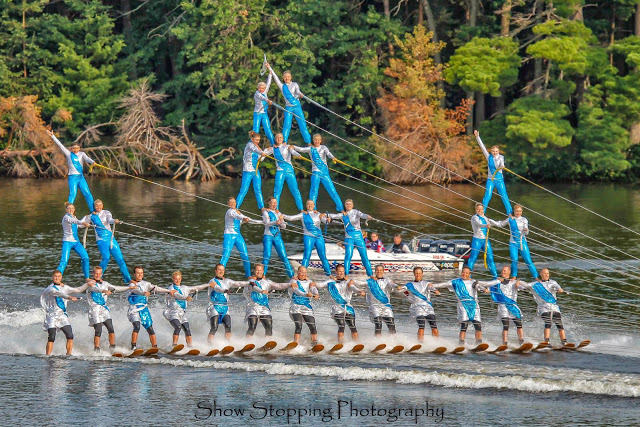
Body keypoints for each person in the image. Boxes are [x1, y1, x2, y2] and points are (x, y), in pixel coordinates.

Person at [432, 266, 492, 346]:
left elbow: (478, 286)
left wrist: (484, 289)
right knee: (464, 325)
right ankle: (461, 343)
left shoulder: (473, 282)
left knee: (477, 325)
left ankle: (478, 343)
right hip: (463, 305)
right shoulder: (455, 282)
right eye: (463, 272)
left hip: (474, 306)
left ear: (469, 274)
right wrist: (431, 285)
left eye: (466, 273)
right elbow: (443, 284)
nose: (464, 274)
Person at [82, 199, 132, 283]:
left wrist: (115, 221)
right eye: (96, 206)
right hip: (101, 240)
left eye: (100, 205)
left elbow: (110, 220)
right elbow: (81, 224)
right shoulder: (92, 216)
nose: (98, 207)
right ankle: (97, 277)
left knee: (120, 259)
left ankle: (128, 279)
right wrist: (85, 222)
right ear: (94, 207)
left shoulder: (106, 212)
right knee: (106, 257)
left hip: (110, 239)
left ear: (102, 205)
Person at [86, 266, 133, 352]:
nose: (97, 275)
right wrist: (104, 291)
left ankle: (112, 347)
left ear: (101, 274)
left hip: (104, 309)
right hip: (94, 310)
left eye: (99, 273)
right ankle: (96, 349)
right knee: (98, 330)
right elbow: (95, 289)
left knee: (111, 328)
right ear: (93, 274)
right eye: (96, 273)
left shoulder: (105, 284)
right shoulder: (90, 284)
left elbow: (116, 288)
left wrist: (129, 288)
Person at [41, 270, 89, 355]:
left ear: (61, 277)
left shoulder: (65, 287)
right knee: (51, 337)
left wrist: (87, 284)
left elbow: (78, 290)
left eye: (59, 276)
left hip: (62, 315)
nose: (57, 278)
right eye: (55, 276)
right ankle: (48, 355)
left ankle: (68, 354)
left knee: (70, 336)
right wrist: (69, 297)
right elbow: (58, 294)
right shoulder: (50, 288)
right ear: (52, 277)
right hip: (51, 316)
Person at [126, 266, 174, 350]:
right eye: (138, 273)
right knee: (137, 326)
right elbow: (136, 291)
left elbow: (157, 288)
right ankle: (133, 346)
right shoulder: (132, 284)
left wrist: (169, 291)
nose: (140, 275)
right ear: (134, 274)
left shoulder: (146, 284)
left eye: (141, 273)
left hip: (144, 309)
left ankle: (154, 346)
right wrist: (144, 293)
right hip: (134, 309)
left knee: (150, 328)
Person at [47, 129, 95, 211]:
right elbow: (60, 145)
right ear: (71, 149)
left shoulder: (82, 154)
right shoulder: (69, 154)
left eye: (77, 148)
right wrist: (53, 136)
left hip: (81, 177)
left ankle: (93, 211)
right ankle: (69, 211)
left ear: (79, 148)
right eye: (74, 148)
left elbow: (87, 159)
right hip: (72, 177)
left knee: (88, 193)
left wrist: (93, 162)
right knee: (73, 194)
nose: (75, 150)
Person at [293, 134, 344, 211]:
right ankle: (313, 209)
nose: (317, 141)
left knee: (332, 190)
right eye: (315, 140)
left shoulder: (323, 147)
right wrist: (293, 146)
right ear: (313, 140)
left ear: (320, 140)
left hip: (324, 173)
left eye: (318, 140)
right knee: (314, 191)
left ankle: (341, 209)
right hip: (316, 172)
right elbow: (301, 149)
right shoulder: (310, 148)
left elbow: (328, 153)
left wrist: (333, 158)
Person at [316, 264, 365, 343]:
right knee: (342, 325)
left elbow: (354, 288)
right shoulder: (330, 282)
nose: (341, 273)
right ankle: (340, 344)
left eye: (342, 271)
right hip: (337, 308)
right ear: (336, 272)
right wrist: (313, 284)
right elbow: (320, 285)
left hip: (348, 307)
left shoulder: (348, 282)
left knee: (352, 326)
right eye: (339, 271)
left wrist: (359, 291)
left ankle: (357, 343)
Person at [283, 199, 332, 276]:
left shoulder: (318, 213)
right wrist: (283, 216)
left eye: (311, 204)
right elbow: (292, 218)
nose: (310, 206)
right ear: (306, 206)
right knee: (307, 255)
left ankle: (329, 274)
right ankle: (302, 275)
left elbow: (324, 221)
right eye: (308, 204)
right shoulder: (303, 214)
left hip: (319, 237)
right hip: (308, 237)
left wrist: (328, 220)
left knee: (323, 256)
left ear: (314, 205)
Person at [266, 63, 311, 144]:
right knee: (287, 125)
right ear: (283, 78)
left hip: (297, 106)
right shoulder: (282, 86)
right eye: (285, 77)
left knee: (302, 124)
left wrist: (300, 94)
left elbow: (297, 91)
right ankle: (284, 142)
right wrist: (269, 67)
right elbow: (275, 77)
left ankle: (308, 142)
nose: (287, 78)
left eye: (288, 77)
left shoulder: (295, 84)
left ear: (291, 77)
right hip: (288, 107)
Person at [164, 271, 210, 347]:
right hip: (172, 313)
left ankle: (190, 346)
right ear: (172, 279)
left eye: (179, 279)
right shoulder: (171, 288)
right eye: (175, 279)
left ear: (181, 279)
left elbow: (197, 287)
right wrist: (185, 298)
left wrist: (208, 285)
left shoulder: (185, 288)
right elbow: (177, 295)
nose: (177, 281)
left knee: (187, 328)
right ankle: (174, 345)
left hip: (182, 313)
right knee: (178, 327)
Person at [521, 268, 567, 345]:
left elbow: (556, 285)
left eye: (548, 273)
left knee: (559, 324)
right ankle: (546, 341)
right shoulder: (535, 284)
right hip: (543, 308)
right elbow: (524, 286)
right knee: (548, 322)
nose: (546, 275)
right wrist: (521, 286)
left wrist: (559, 289)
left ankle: (564, 342)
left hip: (554, 307)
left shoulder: (552, 282)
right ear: (541, 274)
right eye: (544, 273)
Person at [329, 199, 374, 276]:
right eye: (347, 204)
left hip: (359, 237)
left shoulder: (356, 212)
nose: (348, 205)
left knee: (364, 256)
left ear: (352, 205)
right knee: (348, 256)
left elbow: (362, 215)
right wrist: (325, 215)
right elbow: (333, 215)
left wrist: (367, 216)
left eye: (350, 204)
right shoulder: (343, 215)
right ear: (345, 206)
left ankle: (370, 275)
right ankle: (346, 275)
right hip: (349, 237)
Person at [243, 264, 290, 338]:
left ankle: (267, 343)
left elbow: (278, 285)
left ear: (263, 271)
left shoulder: (267, 282)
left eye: (260, 270)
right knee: (252, 326)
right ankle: (247, 342)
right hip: (253, 307)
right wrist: (261, 291)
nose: (259, 272)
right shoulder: (250, 281)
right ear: (254, 271)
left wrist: (290, 284)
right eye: (257, 270)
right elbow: (254, 287)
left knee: (269, 327)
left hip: (264, 307)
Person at [207, 264, 250, 344]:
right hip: (214, 307)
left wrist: (249, 283)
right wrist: (225, 291)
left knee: (228, 326)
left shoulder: (228, 281)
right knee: (214, 327)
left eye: (222, 270)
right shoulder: (212, 281)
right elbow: (217, 288)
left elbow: (239, 283)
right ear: (215, 271)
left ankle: (227, 344)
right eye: (219, 270)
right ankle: (209, 344)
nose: (221, 271)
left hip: (225, 308)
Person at [220, 197, 261, 278]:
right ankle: (219, 275)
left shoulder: (238, 213)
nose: (233, 204)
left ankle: (248, 275)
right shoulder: (230, 211)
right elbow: (235, 216)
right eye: (231, 202)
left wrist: (263, 222)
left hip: (238, 236)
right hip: (229, 235)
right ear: (228, 204)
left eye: (234, 202)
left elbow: (249, 219)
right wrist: (243, 218)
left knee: (245, 255)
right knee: (226, 255)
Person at [261, 133, 304, 210]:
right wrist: (264, 152)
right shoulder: (273, 148)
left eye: (280, 137)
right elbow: (263, 155)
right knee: (277, 191)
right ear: (275, 139)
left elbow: (292, 151)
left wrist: (298, 155)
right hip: (280, 171)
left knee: (295, 190)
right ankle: (276, 210)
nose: (279, 139)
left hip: (289, 171)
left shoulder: (287, 146)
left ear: (283, 138)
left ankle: (301, 209)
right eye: (277, 137)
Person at [398, 267, 441, 342]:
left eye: (419, 273)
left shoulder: (427, 283)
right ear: (414, 274)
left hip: (427, 306)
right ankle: (420, 343)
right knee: (422, 325)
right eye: (416, 273)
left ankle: (437, 343)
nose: (418, 275)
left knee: (433, 324)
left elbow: (431, 287)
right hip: (417, 307)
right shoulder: (410, 284)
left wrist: (436, 290)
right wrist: (403, 291)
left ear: (422, 274)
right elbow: (402, 289)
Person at [474, 129, 512, 215]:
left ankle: (509, 213)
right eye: (493, 151)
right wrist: (477, 137)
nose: (495, 153)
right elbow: (482, 147)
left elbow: (501, 164)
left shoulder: (501, 157)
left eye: (496, 151)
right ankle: (482, 213)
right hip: (490, 180)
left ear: (498, 152)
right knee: (487, 196)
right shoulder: (488, 157)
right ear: (491, 151)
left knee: (504, 196)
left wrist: (502, 167)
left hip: (499, 180)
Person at [497, 204, 539, 280]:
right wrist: (489, 221)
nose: (518, 213)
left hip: (522, 242)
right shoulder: (510, 219)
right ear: (514, 211)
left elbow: (527, 232)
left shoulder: (524, 220)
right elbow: (500, 224)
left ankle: (536, 277)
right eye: (516, 211)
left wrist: (526, 230)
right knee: (514, 260)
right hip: (513, 243)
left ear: (522, 212)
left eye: (520, 211)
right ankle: (514, 276)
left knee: (528, 260)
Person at [488, 266, 526, 346]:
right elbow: (488, 286)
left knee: (518, 323)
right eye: (502, 271)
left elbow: (523, 287)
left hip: (512, 306)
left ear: (509, 272)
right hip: (503, 307)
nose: (503, 272)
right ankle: (504, 343)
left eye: (505, 271)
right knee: (506, 325)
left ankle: (521, 341)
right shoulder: (497, 283)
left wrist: (518, 281)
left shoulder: (514, 282)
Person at [261, 196, 294, 278]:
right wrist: (276, 222)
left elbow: (284, 227)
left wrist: (281, 222)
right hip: (268, 236)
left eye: (276, 203)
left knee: (283, 256)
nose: (275, 204)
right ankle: (262, 276)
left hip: (277, 236)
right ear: (269, 203)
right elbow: (267, 223)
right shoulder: (266, 212)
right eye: (273, 203)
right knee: (267, 256)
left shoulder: (278, 213)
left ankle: (292, 277)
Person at [57, 202, 91, 281]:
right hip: (67, 242)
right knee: (64, 261)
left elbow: (79, 225)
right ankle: (57, 280)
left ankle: (87, 278)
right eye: (69, 208)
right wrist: (82, 222)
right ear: (66, 210)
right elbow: (73, 221)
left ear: (74, 209)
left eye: (72, 208)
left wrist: (86, 218)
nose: (71, 210)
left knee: (85, 257)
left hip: (76, 242)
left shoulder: (74, 217)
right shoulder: (66, 217)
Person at [363, 264, 399, 337]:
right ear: (375, 271)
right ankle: (377, 341)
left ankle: (393, 341)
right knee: (378, 324)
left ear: (383, 271)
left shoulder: (387, 280)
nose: (379, 272)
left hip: (386, 306)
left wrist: (397, 286)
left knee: (391, 325)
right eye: (377, 270)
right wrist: (352, 282)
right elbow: (359, 283)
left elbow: (392, 284)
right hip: (375, 306)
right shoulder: (370, 281)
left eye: (380, 270)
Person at [288, 266, 319, 345]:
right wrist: (305, 294)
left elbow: (313, 288)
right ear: (298, 272)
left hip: (306, 307)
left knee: (312, 326)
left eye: (305, 272)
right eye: (301, 272)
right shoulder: (293, 281)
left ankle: (314, 343)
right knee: (299, 325)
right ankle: (295, 343)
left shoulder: (309, 281)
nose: (303, 274)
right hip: (295, 307)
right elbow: (296, 290)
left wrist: (316, 293)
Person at [469, 203, 501, 279]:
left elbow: (495, 224)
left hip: (485, 240)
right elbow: (479, 224)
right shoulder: (474, 217)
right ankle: (469, 275)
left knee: (490, 258)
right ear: (475, 210)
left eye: (481, 209)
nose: (479, 211)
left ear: (483, 210)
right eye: (478, 209)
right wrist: (486, 225)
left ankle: (495, 276)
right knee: (473, 258)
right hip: (477, 240)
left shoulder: (486, 218)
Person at [236, 131, 266, 210]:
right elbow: (255, 150)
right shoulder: (249, 145)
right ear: (252, 139)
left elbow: (261, 159)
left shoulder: (258, 148)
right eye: (256, 140)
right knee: (243, 190)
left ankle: (262, 208)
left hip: (255, 171)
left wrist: (266, 152)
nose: (258, 141)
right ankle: (236, 208)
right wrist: (261, 152)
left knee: (258, 190)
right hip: (248, 171)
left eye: (259, 140)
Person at [253, 77, 275, 146]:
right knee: (256, 129)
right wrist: (268, 100)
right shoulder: (257, 93)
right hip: (258, 113)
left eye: (263, 88)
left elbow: (268, 83)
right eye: (260, 88)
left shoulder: (265, 92)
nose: (261, 90)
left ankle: (273, 144)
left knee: (268, 129)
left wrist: (270, 74)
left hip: (264, 114)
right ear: (257, 88)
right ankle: (254, 144)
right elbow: (262, 97)